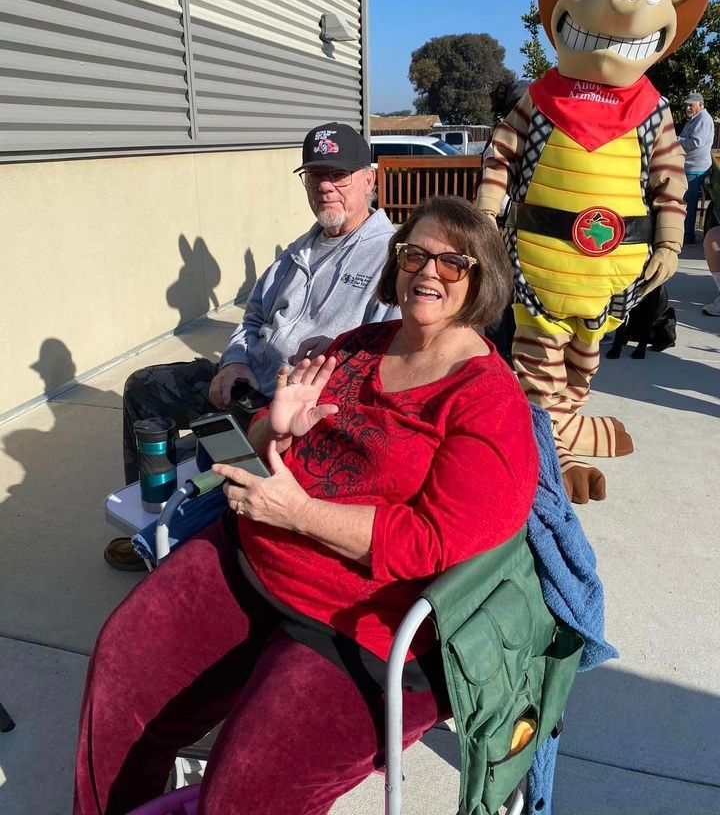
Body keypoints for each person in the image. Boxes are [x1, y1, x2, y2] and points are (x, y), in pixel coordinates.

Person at [74, 196, 539, 815]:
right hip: (252, 562)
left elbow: (433, 541)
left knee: (247, 787)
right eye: (415, 255)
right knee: (122, 675)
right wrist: (275, 432)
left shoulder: (488, 399)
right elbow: (244, 456)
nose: (429, 272)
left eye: (454, 263)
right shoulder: (354, 346)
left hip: (365, 627)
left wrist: (297, 513)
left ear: (483, 282)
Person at [106, 122, 399, 570]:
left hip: (300, 409)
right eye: (315, 175)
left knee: (228, 456)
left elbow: (391, 352)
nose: (325, 187)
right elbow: (254, 317)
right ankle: (153, 522)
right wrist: (234, 362)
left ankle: (183, 540)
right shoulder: (296, 252)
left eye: (338, 175)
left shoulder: (392, 258)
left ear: (369, 178)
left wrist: (334, 360)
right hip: (248, 382)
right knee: (146, 388)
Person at [678, 91, 714, 246]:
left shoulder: (703, 120)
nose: (687, 108)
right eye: (686, 105)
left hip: (695, 167)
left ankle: (688, 235)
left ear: (701, 104)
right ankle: (685, 233)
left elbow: (695, 143)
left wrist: (677, 140)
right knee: (686, 202)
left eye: (691, 105)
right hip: (689, 165)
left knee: (688, 203)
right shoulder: (694, 119)